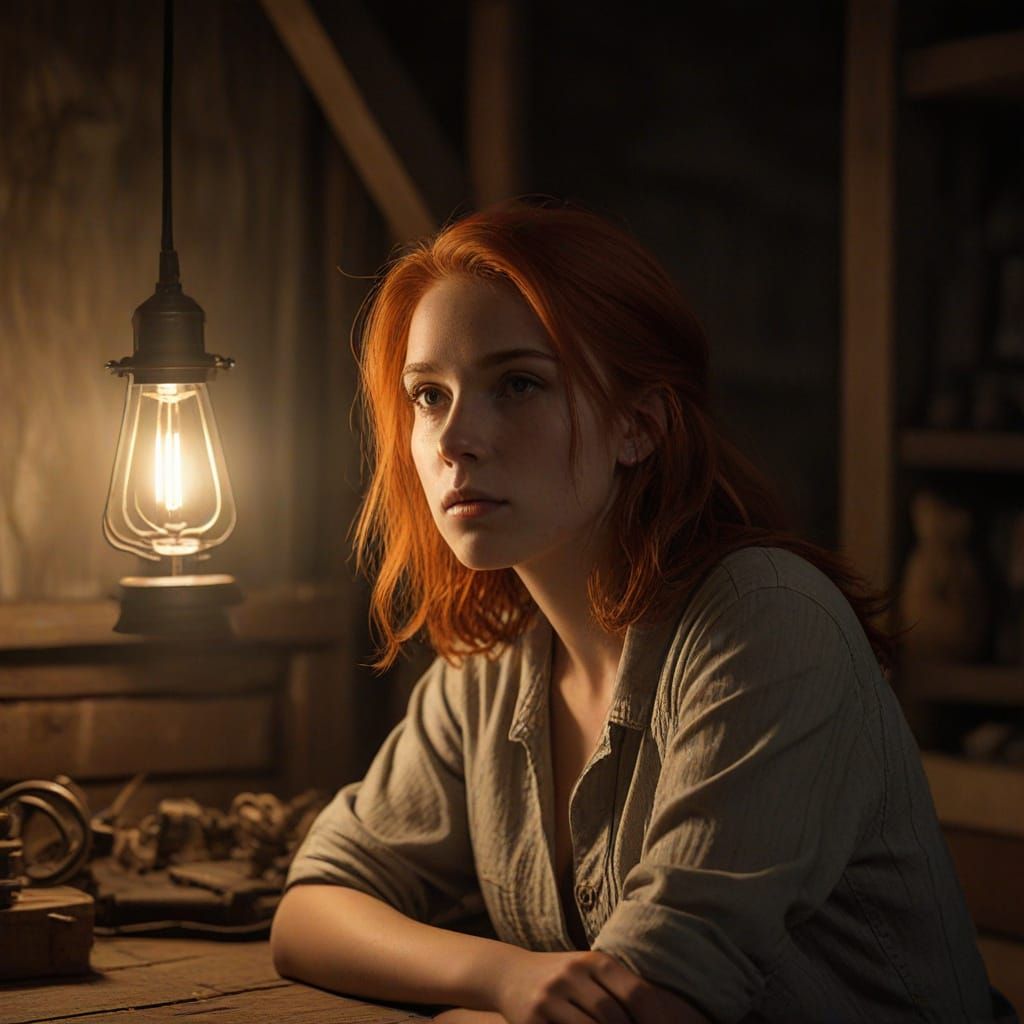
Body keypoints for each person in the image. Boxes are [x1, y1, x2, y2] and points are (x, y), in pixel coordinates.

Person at [270, 200, 1016, 1023]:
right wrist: (500, 981)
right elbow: (312, 908)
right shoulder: (492, 666)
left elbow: (656, 1002)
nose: (454, 439)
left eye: (517, 384)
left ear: (638, 425)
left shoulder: (765, 623)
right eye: (428, 395)